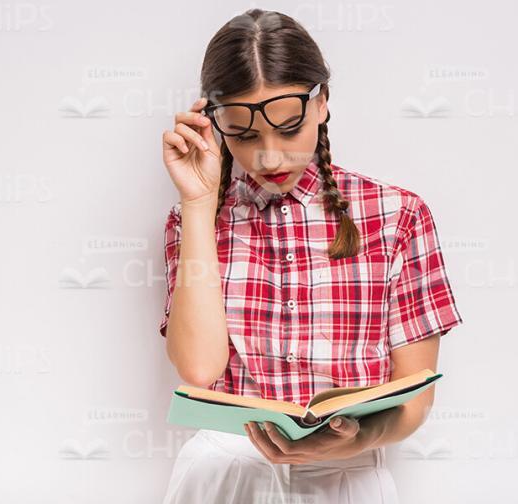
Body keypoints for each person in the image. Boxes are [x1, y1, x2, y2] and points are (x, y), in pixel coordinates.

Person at [158, 8, 464, 504]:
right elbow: (198, 369)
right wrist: (196, 203)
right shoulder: (191, 222)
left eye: (287, 127)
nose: (270, 157)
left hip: (346, 478)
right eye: (245, 135)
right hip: (224, 475)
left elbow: (416, 396)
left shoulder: (398, 216)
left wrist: (354, 438)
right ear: (215, 127)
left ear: (321, 104)